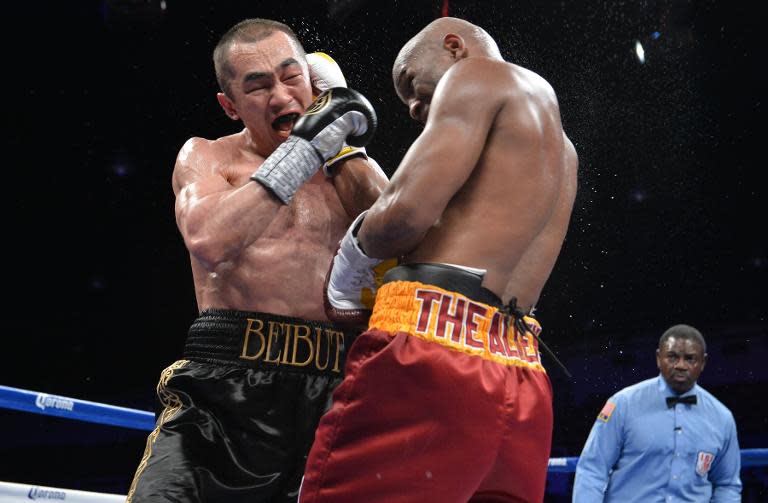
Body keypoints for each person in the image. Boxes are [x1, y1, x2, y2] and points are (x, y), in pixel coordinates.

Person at [302, 16, 578, 503]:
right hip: (522, 375)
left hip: (432, 352)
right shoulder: (564, 151)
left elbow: (406, 213)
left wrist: (353, 253)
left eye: (409, 82)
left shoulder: (475, 76)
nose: (411, 106)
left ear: (453, 47)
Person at [127, 18, 388, 503]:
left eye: (292, 77)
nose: (281, 96)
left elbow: (398, 234)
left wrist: (343, 143)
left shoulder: (347, 171)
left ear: (315, 83)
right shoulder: (207, 157)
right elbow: (208, 239)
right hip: (226, 391)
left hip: (339, 388)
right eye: (259, 86)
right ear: (230, 106)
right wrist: (303, 148)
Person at [573, 324, 742, 502]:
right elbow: (592, 469)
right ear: (658, 358)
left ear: (703, 363)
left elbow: (727, 485)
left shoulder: (722, 418)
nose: (681, 365)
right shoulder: (623, 404)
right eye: (672, 357)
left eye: (690, 358)